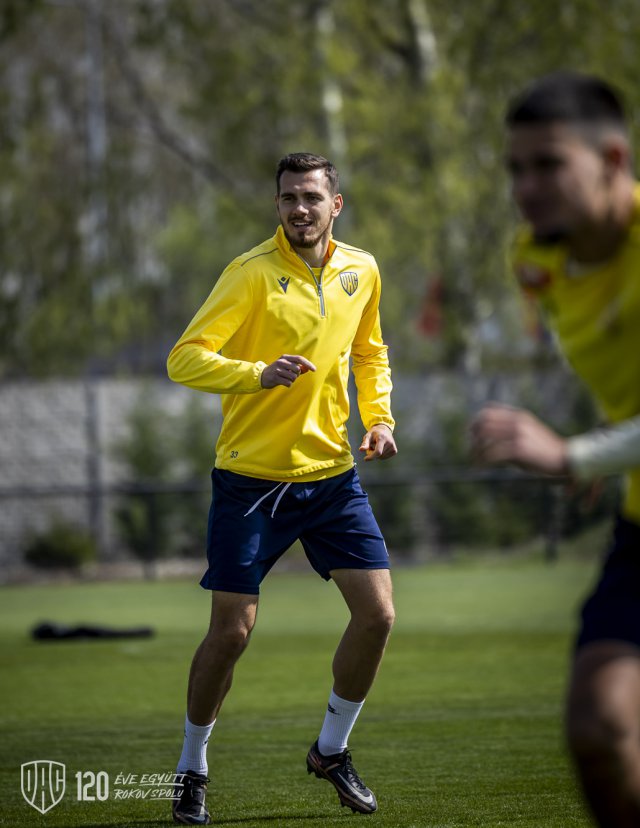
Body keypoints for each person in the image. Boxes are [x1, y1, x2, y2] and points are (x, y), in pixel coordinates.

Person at [166, 152, 397, 825]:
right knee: (231, 633)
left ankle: (331, 750)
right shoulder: (249, 274)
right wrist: (256, 374)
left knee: (378, 616)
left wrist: (379, 418)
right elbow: (184, 358)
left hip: (333, 479)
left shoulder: (363, 270)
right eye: (289, 198)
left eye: (311, 197)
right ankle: (191, 767)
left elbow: (369, 351)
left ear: (336, 204)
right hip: (252, 483)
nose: (300, 208)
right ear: (277, 206)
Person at [471, 72, 640, 827]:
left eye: (548, 164)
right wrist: (609, 448)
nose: (526, 188)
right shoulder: (535, 262)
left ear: (612, 160)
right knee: (597, 728)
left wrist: (577, 457)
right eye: (515, 168)